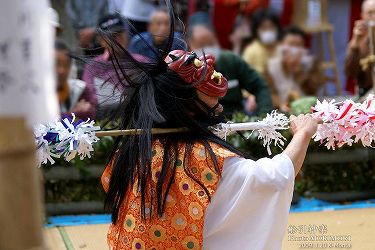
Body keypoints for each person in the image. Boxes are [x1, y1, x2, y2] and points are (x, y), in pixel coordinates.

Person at [99, 2, 320, 249]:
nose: (221, 107)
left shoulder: (130, 152)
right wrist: (302, 134)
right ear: (190, 105)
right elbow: (273, 178)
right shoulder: (208, 161)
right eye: (213, 101)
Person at [188, 24, 272, 116]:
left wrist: (265, 116)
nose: (207, 49)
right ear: (191, 46)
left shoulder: (230, 60)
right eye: (202, 45)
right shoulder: (186, 69)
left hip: (236, 120)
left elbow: (259, 85)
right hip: (204, 122)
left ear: (216, 41)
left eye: (210, 43)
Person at [82, 14, 147, 118]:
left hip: (137, 118)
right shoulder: (93, 67)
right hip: (104, 120)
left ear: (126, 34)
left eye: (120, 33)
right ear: (101, 40)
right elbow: (91, 98)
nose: (117, 39)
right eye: (112, 36)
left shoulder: (142, 62)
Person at [265, 26, 325, 112]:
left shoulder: (311, 64)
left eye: (298, 46)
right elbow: (268, 92)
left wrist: (299, 73)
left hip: (307, 111)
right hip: (280, 112)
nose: (294, 50)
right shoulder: (272, 67)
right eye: (291, 45)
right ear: (281, 46)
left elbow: (314, 91)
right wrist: (279, 103)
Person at [55, 40, 97, 119]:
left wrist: (63, 115)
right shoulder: (33, 92)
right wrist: (74, 113)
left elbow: (90, 114)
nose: (62, 70)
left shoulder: (80, 89)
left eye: (66, 65)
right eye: (56, 64)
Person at [345, 0, 375, 97]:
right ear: (363, 15)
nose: (374, 16)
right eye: (370, 13)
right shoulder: (359, 41)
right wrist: (355, 42)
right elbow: (350, 72)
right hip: (366, 96)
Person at [242, 8, 281, 75]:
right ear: (256, 30)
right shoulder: (250, 51)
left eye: (271, 27)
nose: (268, 31)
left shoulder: (282, 48)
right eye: (264, 28)